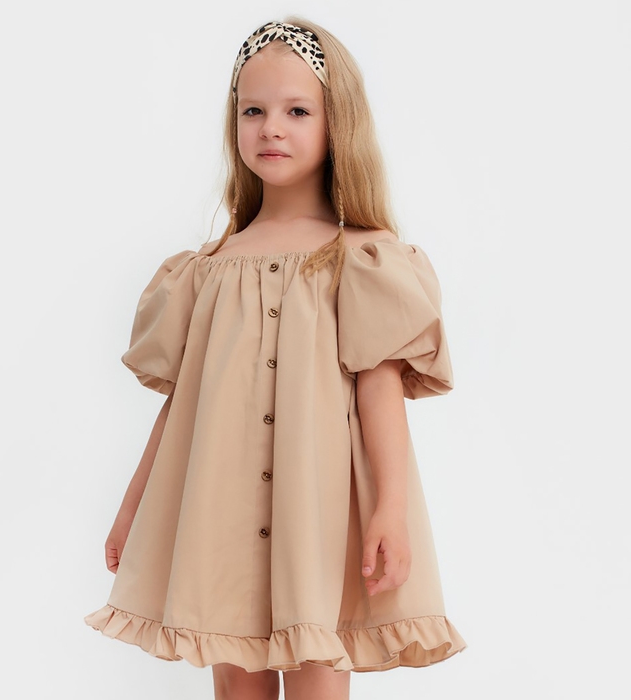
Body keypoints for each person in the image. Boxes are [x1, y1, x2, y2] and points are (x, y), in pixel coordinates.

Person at [84, 16, 467, 700]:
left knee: (320, 670)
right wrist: (133, 506)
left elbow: (379, 390)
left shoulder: (363, 258)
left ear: (337, 121)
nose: (271, 129)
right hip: (218, 508)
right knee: (235, 679)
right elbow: (181, 406)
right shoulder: (206, 270)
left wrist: (391, 509)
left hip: (319, 512)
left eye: (297, 111)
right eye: (253, 111)